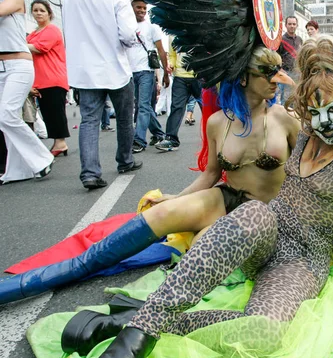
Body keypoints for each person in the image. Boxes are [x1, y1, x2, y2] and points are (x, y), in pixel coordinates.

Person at [94, 34, 333, 358]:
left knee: (264, 332)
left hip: (300, 263)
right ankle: (143, 327)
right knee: (256, 211)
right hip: (266, 234)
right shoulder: (306, 134)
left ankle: (140, 322)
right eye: (315, 111)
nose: (323, 122)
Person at [0, 46, 299, 307]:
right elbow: (210, 175)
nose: (277, 79)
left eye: (278, 71)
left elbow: (307, 173)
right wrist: (176, 198)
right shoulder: (219, 122)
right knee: (161, 213)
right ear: (244, 77)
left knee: (202, 256)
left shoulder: (285, 119)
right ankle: (21, 286)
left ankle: (150, 312)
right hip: (223, 197)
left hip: (263, 213)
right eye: (267, 72)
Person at [63, 0, 142, 190]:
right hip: (115, 67)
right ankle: (125, 161)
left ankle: (90, 173)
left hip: (86, 69)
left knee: (89, 121)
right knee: (125, 118)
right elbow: (127, 35)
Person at [0, 0, 54, 184]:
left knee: (7, 114)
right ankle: (17, 170)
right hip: (1, 69)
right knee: (5, 119)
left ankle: (42, 157)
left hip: (19, 66)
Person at [26, 0, 71, 157]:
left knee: (55, 111)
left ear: (49, 13)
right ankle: (58, 142)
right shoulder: (32, 34)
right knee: (47, 112)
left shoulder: (52, 30)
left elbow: (40, 48)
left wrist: (19, 45)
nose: (38, 13)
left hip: (53, 77)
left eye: (42, 10)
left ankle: (61, 142)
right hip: (39, 79)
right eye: (35, 10)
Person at [128, 0, 170, 153]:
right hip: (130, 72)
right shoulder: (126, 27)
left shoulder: (152, 28)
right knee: (143, 105)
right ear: (131, 8)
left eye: (144, 8)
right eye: (138, 7)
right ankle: (159, 134)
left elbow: (161, 51)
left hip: (146, 71)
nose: (142, 11)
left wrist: (165, 73)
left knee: (143, 106)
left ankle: (139, 140)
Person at [154, 42, 202, 152]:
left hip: (200, 75)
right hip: (180, 77)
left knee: (208, 109)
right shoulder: (173, 32)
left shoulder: (201, 26)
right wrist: (171, 64)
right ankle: (171, 139)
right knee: (176, 107)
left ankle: (214, 139)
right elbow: (172, 54)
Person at [277, 16, 302, 104]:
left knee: (297, 97)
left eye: (294, 24)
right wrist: (279, 69)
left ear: (297, 25)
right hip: (286, 73)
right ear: (286, 25)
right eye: (290, 24)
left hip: (297, 73)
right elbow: (276, 56)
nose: (292, 26)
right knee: (286, 99)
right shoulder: (281, 40)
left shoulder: (299, 39)